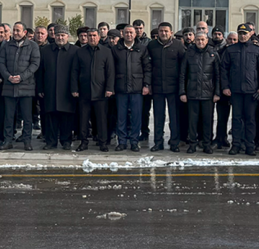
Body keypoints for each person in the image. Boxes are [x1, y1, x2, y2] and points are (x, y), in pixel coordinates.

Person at [222, 23, 259, 155]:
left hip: (251, 91)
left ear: (250, 34)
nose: (242, 36)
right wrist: (225, 86)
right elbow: (224, 70)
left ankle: (249, 146)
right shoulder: (230, 50)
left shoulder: (257, 50)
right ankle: (236, 145)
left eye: (245, 33)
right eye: (240, 34)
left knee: (250, 120)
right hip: (235, 90)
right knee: (236, 119)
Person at [71, 27, 115, 151]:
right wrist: (74, 88)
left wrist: (109, 88)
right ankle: (83, 142)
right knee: (83, 119)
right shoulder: (80, 52)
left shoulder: (106, 52)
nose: (92, 38)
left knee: (101, 119)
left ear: (99, 37)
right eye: (89, 35)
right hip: (84, 91)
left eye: (94, 35)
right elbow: (74, 71)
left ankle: (103, 142)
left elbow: (110, 72)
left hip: (101, 92)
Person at [0, 21, 40, 150]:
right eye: (14, 30)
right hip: (9, 86)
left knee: (27, 116)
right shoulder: (6, 45)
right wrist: (8, 76)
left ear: (25, 32)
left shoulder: (32, 46)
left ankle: (27, 141)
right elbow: (1, 63)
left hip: (26, 86)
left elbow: (35, 64)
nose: (15, 33)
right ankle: (8, 140)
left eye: (18, 30)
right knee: (9, 116)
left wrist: (21, 77)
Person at [177, 29, 219, 154]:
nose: (200, 42)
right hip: (192, 93)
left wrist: (217, 93)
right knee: (192, 121)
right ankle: (192, 144)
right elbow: (182, 74)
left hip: (208, 94)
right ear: (194, 41)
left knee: (207, 121)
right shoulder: (189, 54)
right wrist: (182, 92)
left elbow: (218, 75)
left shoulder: (213, 54)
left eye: (202, 40)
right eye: (198, 40)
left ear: (207, 40)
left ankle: (207, 144)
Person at [145, 22, 185, 153]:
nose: (164, 33)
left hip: (174, 87)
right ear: (158, 32)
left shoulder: (178, 45)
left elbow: (183, 66)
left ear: (171, 32)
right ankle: (158, 142)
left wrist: (182, 87)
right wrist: (148, 84)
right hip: (157, 87)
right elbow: (148, 66)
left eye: (166, 31)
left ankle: (174, 142)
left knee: (174, 117)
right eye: (161, 31)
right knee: (158, 117)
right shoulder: (152, 45)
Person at [39, 26, 77, 151]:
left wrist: (75, 88)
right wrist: (40, 88)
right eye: (58, 35)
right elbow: (40, 71)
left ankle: (66, 141)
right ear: (54, 36)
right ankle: (51, 142)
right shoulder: (45, 50)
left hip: (67, 90)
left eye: (63, 35)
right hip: (50, 89)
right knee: (50, 117)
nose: (60, 38)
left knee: (67, 118)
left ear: (67, 36)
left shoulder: (75, 51)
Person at [112, 23, 147, 151]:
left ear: (135, 34)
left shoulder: (141, 48)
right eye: (126, 32)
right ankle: (122, 142)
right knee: (121, 117)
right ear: (122, 34)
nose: (129, 35)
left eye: (131, 32)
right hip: (120, 87)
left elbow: (147, 68)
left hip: (137, 88)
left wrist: (146, 85)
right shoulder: (116, 49)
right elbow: (111, 69)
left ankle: (134, 141)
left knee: (136, 117)